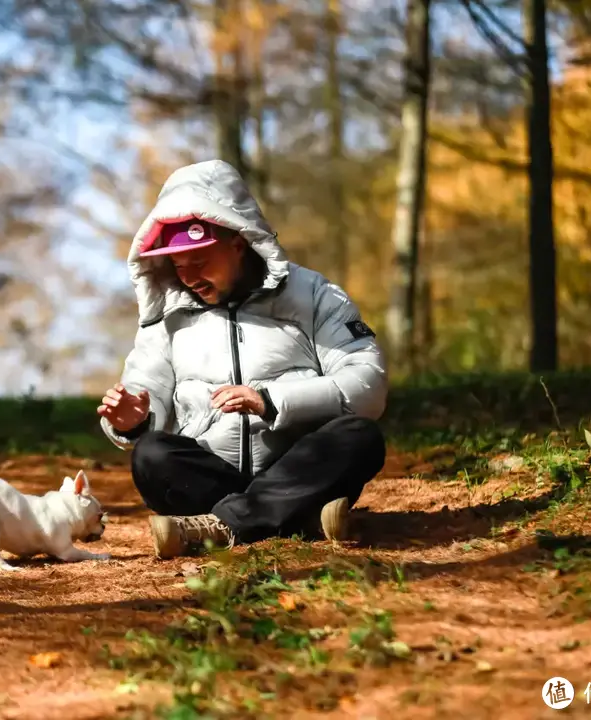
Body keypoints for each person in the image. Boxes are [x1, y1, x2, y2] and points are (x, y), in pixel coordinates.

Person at [97, 159, 388, 559]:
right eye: (179, 267)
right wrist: (133, 422)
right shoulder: (165, 319)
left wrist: (270, 401)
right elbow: (145, 397)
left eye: (200, 261)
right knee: (151, 455)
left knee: (359, 436)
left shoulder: (314, 293)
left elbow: (368, 383)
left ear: (239, 241)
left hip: (297, 468)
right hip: (214, 476)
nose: (190, 277)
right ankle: (298, 518)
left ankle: (219, 527)